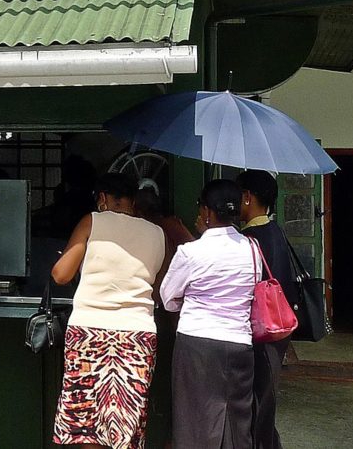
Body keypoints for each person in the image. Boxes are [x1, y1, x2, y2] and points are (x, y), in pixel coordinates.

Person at [51, 173, 167, 449]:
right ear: (133, 200)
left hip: (89, 333)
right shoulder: (157, 232)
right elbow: (160, 284)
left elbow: (60, 275)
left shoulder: (93, 220)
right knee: (125, 421)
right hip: (137, 335)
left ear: (102, 198)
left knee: (88, 423)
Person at [161, 179, 259, 449]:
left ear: (206, 212)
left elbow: (168, 297)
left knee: (193, 420)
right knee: (236, 422)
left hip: (197, 342)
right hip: (239, 343)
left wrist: (190, 301)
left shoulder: (191, 252)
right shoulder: (252, 249)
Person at [236, 170, 297, 449]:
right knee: (265, 399)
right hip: (279, 328)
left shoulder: (249, 239)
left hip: (259, 329)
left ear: (247, 197)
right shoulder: (276, 231)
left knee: (255, 403)